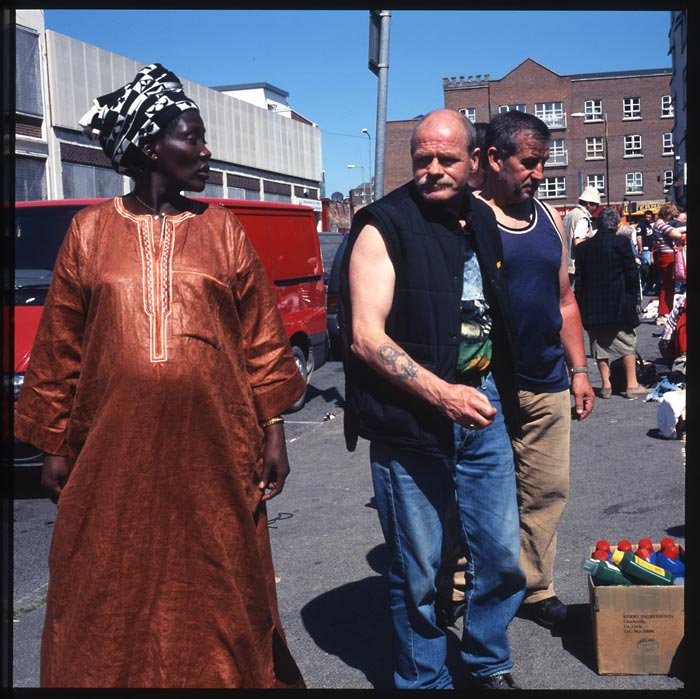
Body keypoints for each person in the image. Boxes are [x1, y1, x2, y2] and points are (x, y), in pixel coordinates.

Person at [14, 64, 306, 689]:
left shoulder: (222, 230)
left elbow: (260, 338)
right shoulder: (89, 234)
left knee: (221, 583)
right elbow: (60, 344)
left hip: (217, 452)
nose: (205, 152)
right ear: (152, 146)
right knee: (103, 584)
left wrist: (273, 429)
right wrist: (52, 443)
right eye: (192, 138)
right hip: (110, 454)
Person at [339, 109, 525, 689]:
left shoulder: (481, 218)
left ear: (474, 162)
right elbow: (366, 337)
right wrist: (442, 394)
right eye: (423, 158)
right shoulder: (381, 225)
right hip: (409, 419)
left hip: (484, 406)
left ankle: (487, 660)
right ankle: (423, 679)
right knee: (417, 570)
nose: (434, 169)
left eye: (447, 158)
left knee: (499, 558)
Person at [475, 111, 595, 631]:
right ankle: (460, 590)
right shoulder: (468, 218)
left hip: (547, 380)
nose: (538, 173)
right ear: (495, 159)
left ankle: (534, 587)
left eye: (543, 163)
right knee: (477, 494)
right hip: (484, 384)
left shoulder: (551, 219)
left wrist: (580, 369)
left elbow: (564, 300)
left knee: (546, 490)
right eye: (529, 162)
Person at [574, 208, 646, 399]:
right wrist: (633, 299)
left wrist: (580, 302)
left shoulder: (583, 248)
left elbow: (580, 280)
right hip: (619, 303)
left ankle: (606, 386)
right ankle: (632, 385)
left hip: (593, 305)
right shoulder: (621, 243)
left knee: (600, 345)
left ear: (598, 225)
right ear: (616, 225)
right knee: (627, 342)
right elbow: (631, 273)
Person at [651, 202, 686, 325]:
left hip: (663, 255)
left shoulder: (658, 225)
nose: (672, 218)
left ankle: (665, 311)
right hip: (668, 257)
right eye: (671, 215)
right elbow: (677, 235)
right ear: (668, 214)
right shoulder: (662, 226)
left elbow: (674, 230)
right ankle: (663, 313)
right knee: (668, 286)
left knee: (667, 285)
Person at [562, 185, 601, 284]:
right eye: (596, 205)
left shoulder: (569, 215)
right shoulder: (582, 218)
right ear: (588, 204)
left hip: (565, 265)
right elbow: (578, 242)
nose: (597, 208)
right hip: (575, 267)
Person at [635, 210, 656, 294]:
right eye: (646, 217)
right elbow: (639, 238)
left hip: (651, 249)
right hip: (645, 250)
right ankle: (644, 289)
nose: (647, 219)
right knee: (646, 269)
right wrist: (640, 249)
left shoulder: (649, 225)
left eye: (649, 217)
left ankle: (648, 287)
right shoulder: (641, 225)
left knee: (650, 269)